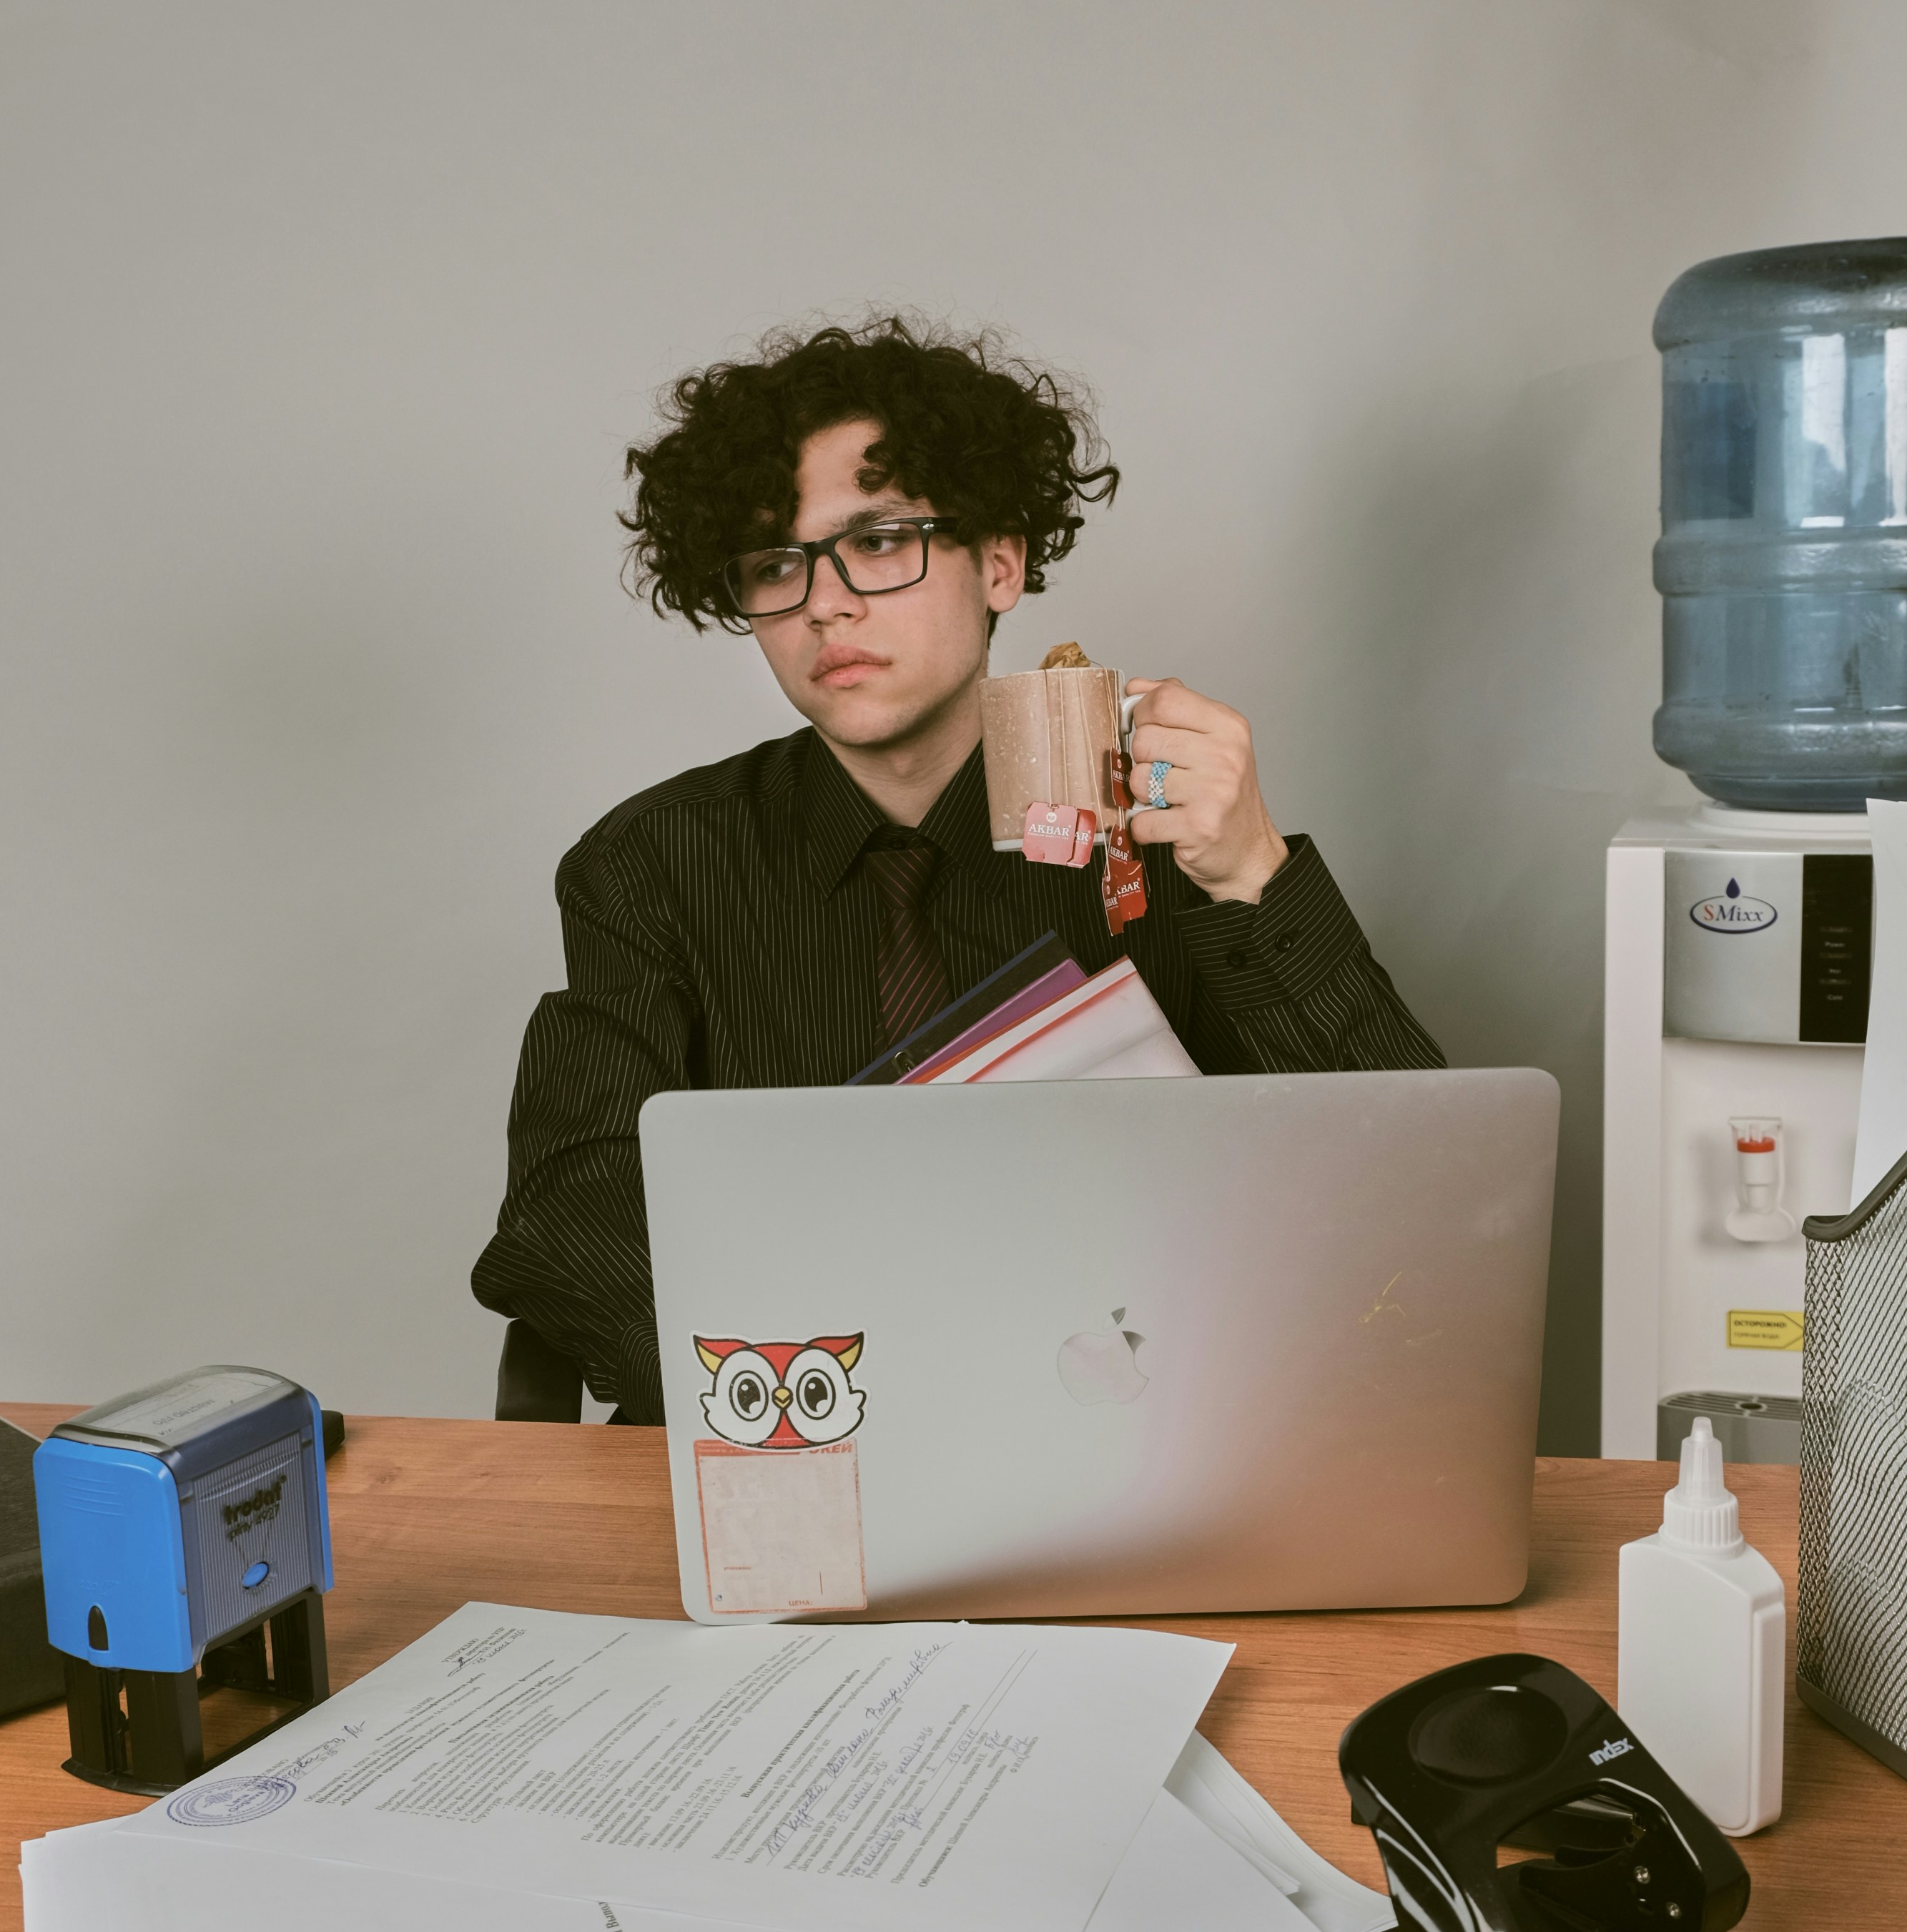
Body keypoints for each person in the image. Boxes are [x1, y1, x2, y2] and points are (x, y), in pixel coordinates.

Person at [473, 315, 1442, 1421]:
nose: (825, 601)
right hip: (799, 1423)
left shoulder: (1156, 823)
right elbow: (570, 1206)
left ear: (998, 562)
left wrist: (1250, 873)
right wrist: (822, 1395)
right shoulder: (649, 864)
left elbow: (1406, 1192)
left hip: (1138, 1429)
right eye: (775, 564)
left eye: (879, 540)